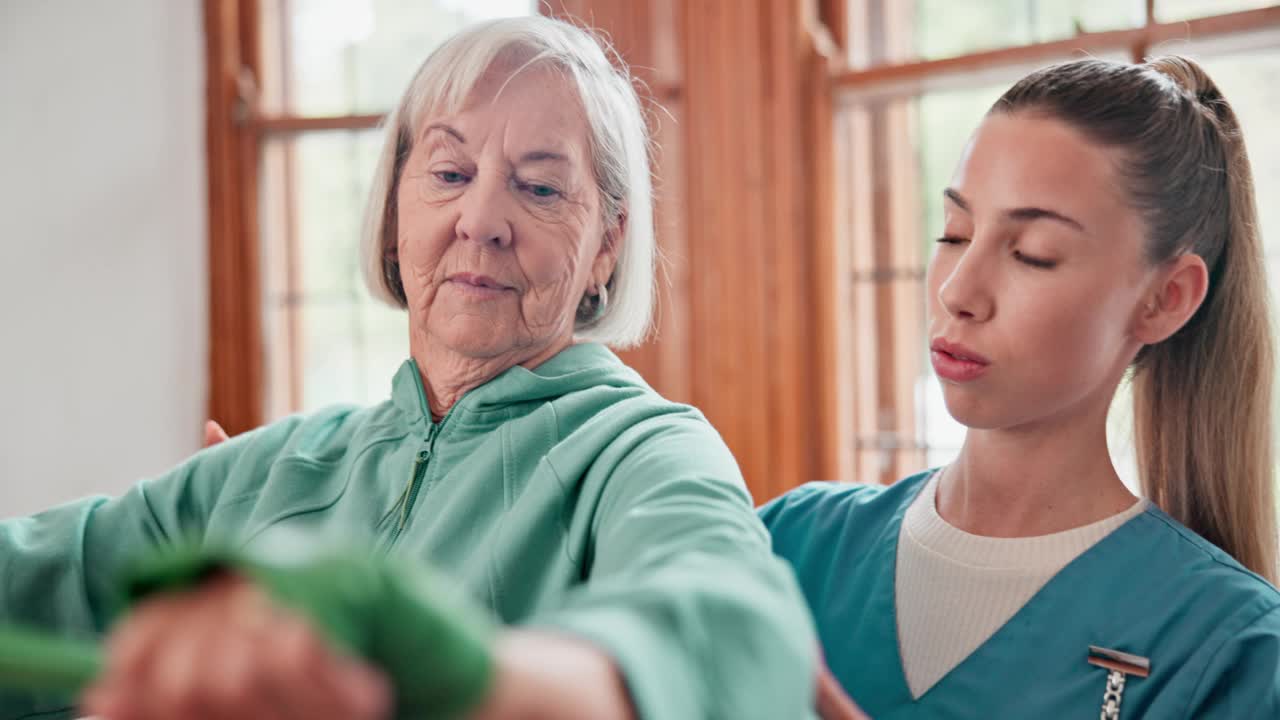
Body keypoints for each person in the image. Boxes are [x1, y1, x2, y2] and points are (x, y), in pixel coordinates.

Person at [0, 16, 821, 720]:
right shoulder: (266, 470)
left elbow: (740, 633)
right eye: (450, 173)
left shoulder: (642, 450)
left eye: (538, 188)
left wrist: (471, 676)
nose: (480, 219)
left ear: (606, 242)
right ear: (397, 206)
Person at [762, 55, 1280, 718]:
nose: (957, 291)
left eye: (1032, 251)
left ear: (1165, 299)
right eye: (954, 234)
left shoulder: (1227, 648)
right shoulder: (790, 545)